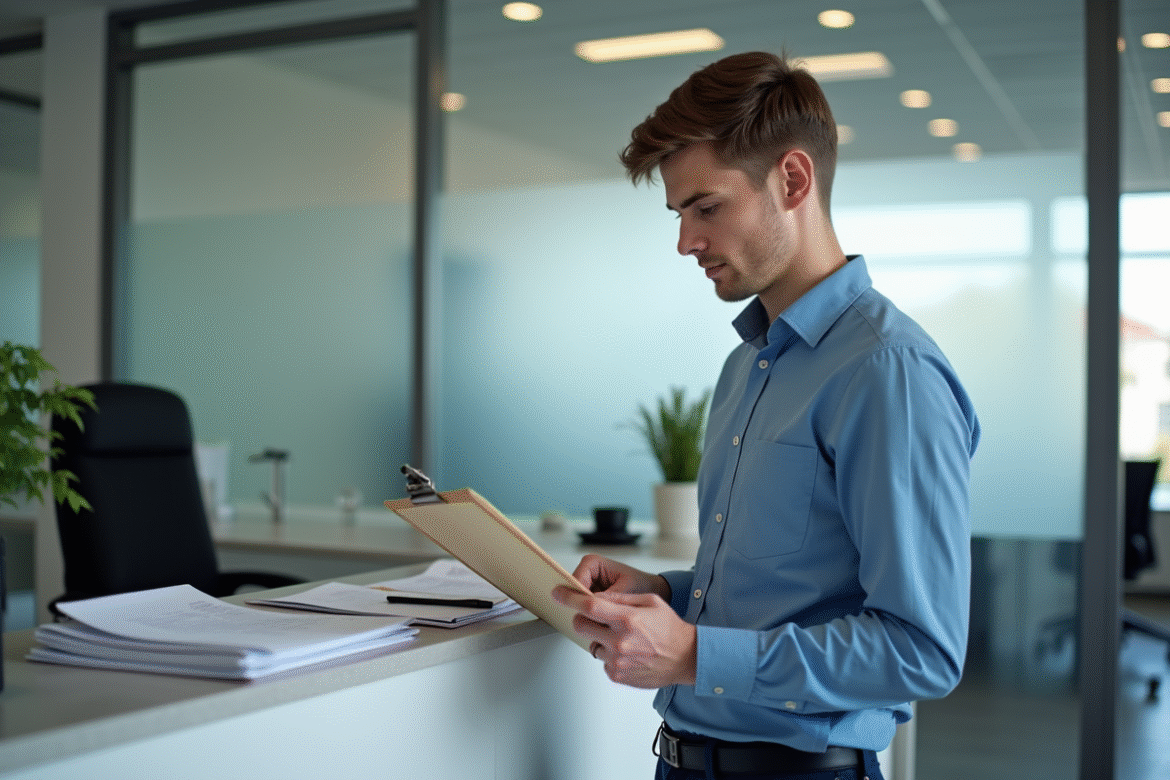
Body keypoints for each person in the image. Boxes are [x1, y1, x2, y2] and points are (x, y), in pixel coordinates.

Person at [552, 51, 981, 780]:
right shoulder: (748, 366)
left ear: (792, 180)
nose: (686, 241)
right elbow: (786, 592)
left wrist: (690, 653)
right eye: (680, 212)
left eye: (706, 207)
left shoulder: (887, 371)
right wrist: (663, 594)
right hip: (683, 764)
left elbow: (922, 649)